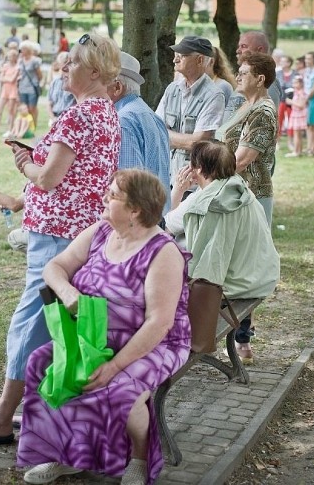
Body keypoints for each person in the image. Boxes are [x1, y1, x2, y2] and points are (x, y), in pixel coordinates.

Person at [0, 32, 121, 449]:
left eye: (72, 63)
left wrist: (26, 162)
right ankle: (37, 411)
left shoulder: (79, 116)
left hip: (57, 236)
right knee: (53, 323)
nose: (64, 68)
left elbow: (49, 178)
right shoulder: (107, 113)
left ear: (94, 71)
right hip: (83, 232)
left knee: (30, 320)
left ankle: (1, 418)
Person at [17, 169, 189, 485]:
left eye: (112, 196)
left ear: (135, 210)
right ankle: (64, 454)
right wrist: (68, 293)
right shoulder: (99, 232)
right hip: (93, 336)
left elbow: (159, 323)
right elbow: (54, 267)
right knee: (42, 364)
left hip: (152, 342)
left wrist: (114, 366)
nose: (104, 199)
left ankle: (139, 459)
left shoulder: (163, 252)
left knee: (121, 388)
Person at [164, 140, 279, 363]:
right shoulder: (240, 189)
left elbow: (164, 228)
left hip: (230, 286)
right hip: (259, 277)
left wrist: (177, 190)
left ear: (197, 169)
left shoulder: (202, 200)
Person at [215, 52, 278, 363]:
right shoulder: (245, 105)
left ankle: (242, 339)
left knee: (246, 267)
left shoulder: (264, 111)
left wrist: (209, 173)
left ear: (260, 79)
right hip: (233, 193)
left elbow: (241, 159)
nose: (237, 77)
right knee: (230, 264)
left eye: (243, 73)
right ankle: (228, 333)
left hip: (252, 196)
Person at [155, 35, 225, 189]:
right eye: (176, 55)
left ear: (200, 60)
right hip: (167, 176)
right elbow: (155, 130)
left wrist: (165, 135)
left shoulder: (214, 95)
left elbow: (198, 142)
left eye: (182, 56)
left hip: (193, 182)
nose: (175, 60)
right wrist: (182, 140)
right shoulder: (172, 89)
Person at [107, 52, 172, 214]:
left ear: (117, 87)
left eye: (100, 83)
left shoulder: (123, 121)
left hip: (137, 223)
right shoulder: (149, 114)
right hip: (155, 217)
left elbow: (126, 187)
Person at [228, 31, 282, 119]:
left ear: (260, 50)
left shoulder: (267, 82)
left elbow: (264, 120)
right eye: (239, 46)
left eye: (244, 46)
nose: (238, 50)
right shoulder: (246, 80)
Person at [0, 49, 21, 133]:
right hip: (5, 90)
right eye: (9, 56)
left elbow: (13, 79)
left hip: (12, 90)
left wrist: (6, 78)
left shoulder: (17, 67)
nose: (10, 58)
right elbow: (1, 78)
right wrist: (8, 79)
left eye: (12, 56)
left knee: (11, 111)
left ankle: (10, 129)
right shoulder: (5, 66)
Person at [46, 51, 75, 125]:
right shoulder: (55, 82)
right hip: (55, 118)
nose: (65, 65)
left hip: (69, 119)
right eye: (63, 62)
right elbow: (49, 103)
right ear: (59, 64)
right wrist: (53, 118)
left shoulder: (74, 81)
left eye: (68, 62)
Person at [18, 40, 43, 125]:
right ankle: (26, 125)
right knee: (24, 108)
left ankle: (33, 125)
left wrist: (36, 82)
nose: (21, 51)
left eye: (23, 49)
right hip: (22, 87)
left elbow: (40, 75)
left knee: (32, 108)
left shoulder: (35, 61)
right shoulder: (20, 60)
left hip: (32, 87)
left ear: (28, 49)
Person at [284, 75, 307, 156]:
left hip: (298, 115)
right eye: (293, 82)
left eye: (296, 83)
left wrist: (291, 102)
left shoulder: (301, 93)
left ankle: (296, 152)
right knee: (298, 134)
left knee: (297, 134)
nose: (293, 84)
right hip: (296, 114)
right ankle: (299, 151)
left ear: (301, 83)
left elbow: (301, 105)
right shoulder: (297, 92)